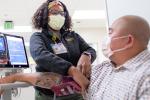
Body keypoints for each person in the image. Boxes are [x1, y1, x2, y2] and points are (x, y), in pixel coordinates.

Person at [30, 0, 96, 100]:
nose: (59, 16)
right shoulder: (38, 37)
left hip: (76, 92)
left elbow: (90, 49)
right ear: (45, 15)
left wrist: (87, 55)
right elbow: (40, 56)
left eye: (61, 13)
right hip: (49, 95)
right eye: (54, 12)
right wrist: (70, 69)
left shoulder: (73, 36)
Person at [87, 15, 150, 100]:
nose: (106, 39)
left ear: (128, 41)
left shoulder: (146, 77)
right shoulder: (103, 68)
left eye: (110, 33)